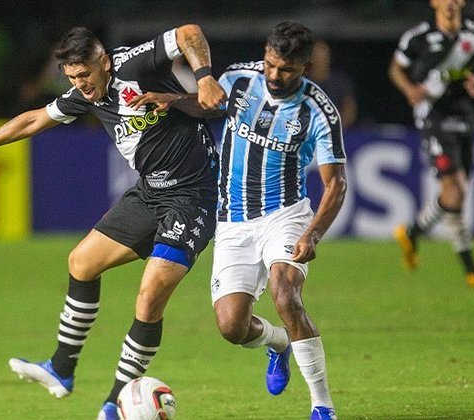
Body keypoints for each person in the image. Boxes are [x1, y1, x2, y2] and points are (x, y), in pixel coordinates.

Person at [0, 25, 225, 419]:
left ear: (104, 62)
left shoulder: (137, 63)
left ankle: (115, 402)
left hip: (193, 197)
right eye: (72, 78)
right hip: (150, 193)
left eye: (85, 74)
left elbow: (190, 33)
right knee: (81, 262)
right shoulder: (83, 97)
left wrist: (205, 78)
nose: (81, 85)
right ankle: (61, 369)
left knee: (149, 295)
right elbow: (34, 120)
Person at [132, 21, 346, 419]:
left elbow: (336, 184)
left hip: (285, 214)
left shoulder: (318, 110)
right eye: (270, 64)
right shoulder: (241, 78)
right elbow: (206, 104)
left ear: (305, 66)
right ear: (264, 53)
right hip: (232, 220)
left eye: (286, 69)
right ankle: (280, 344)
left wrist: (313, 234)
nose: (275, 76)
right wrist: (173, 99)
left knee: (286, 292)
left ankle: (322, 406)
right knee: (232, 326)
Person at [389, 0, 474, 288]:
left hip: (464, 115)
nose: (449, 2)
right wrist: (409, 90)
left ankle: (413, 232)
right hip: (432, 117)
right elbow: (396, 69)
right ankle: (471, 269)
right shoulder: (418, 37)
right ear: (434, 3)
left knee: (454, 194)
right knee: (456, 188)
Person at [310, 40, 357, 129]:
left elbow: (349, 110)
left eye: (324, 56)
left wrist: (335, 129)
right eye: (317, 56)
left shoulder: (340, 82)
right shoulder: (300, 82)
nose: (321, 60)